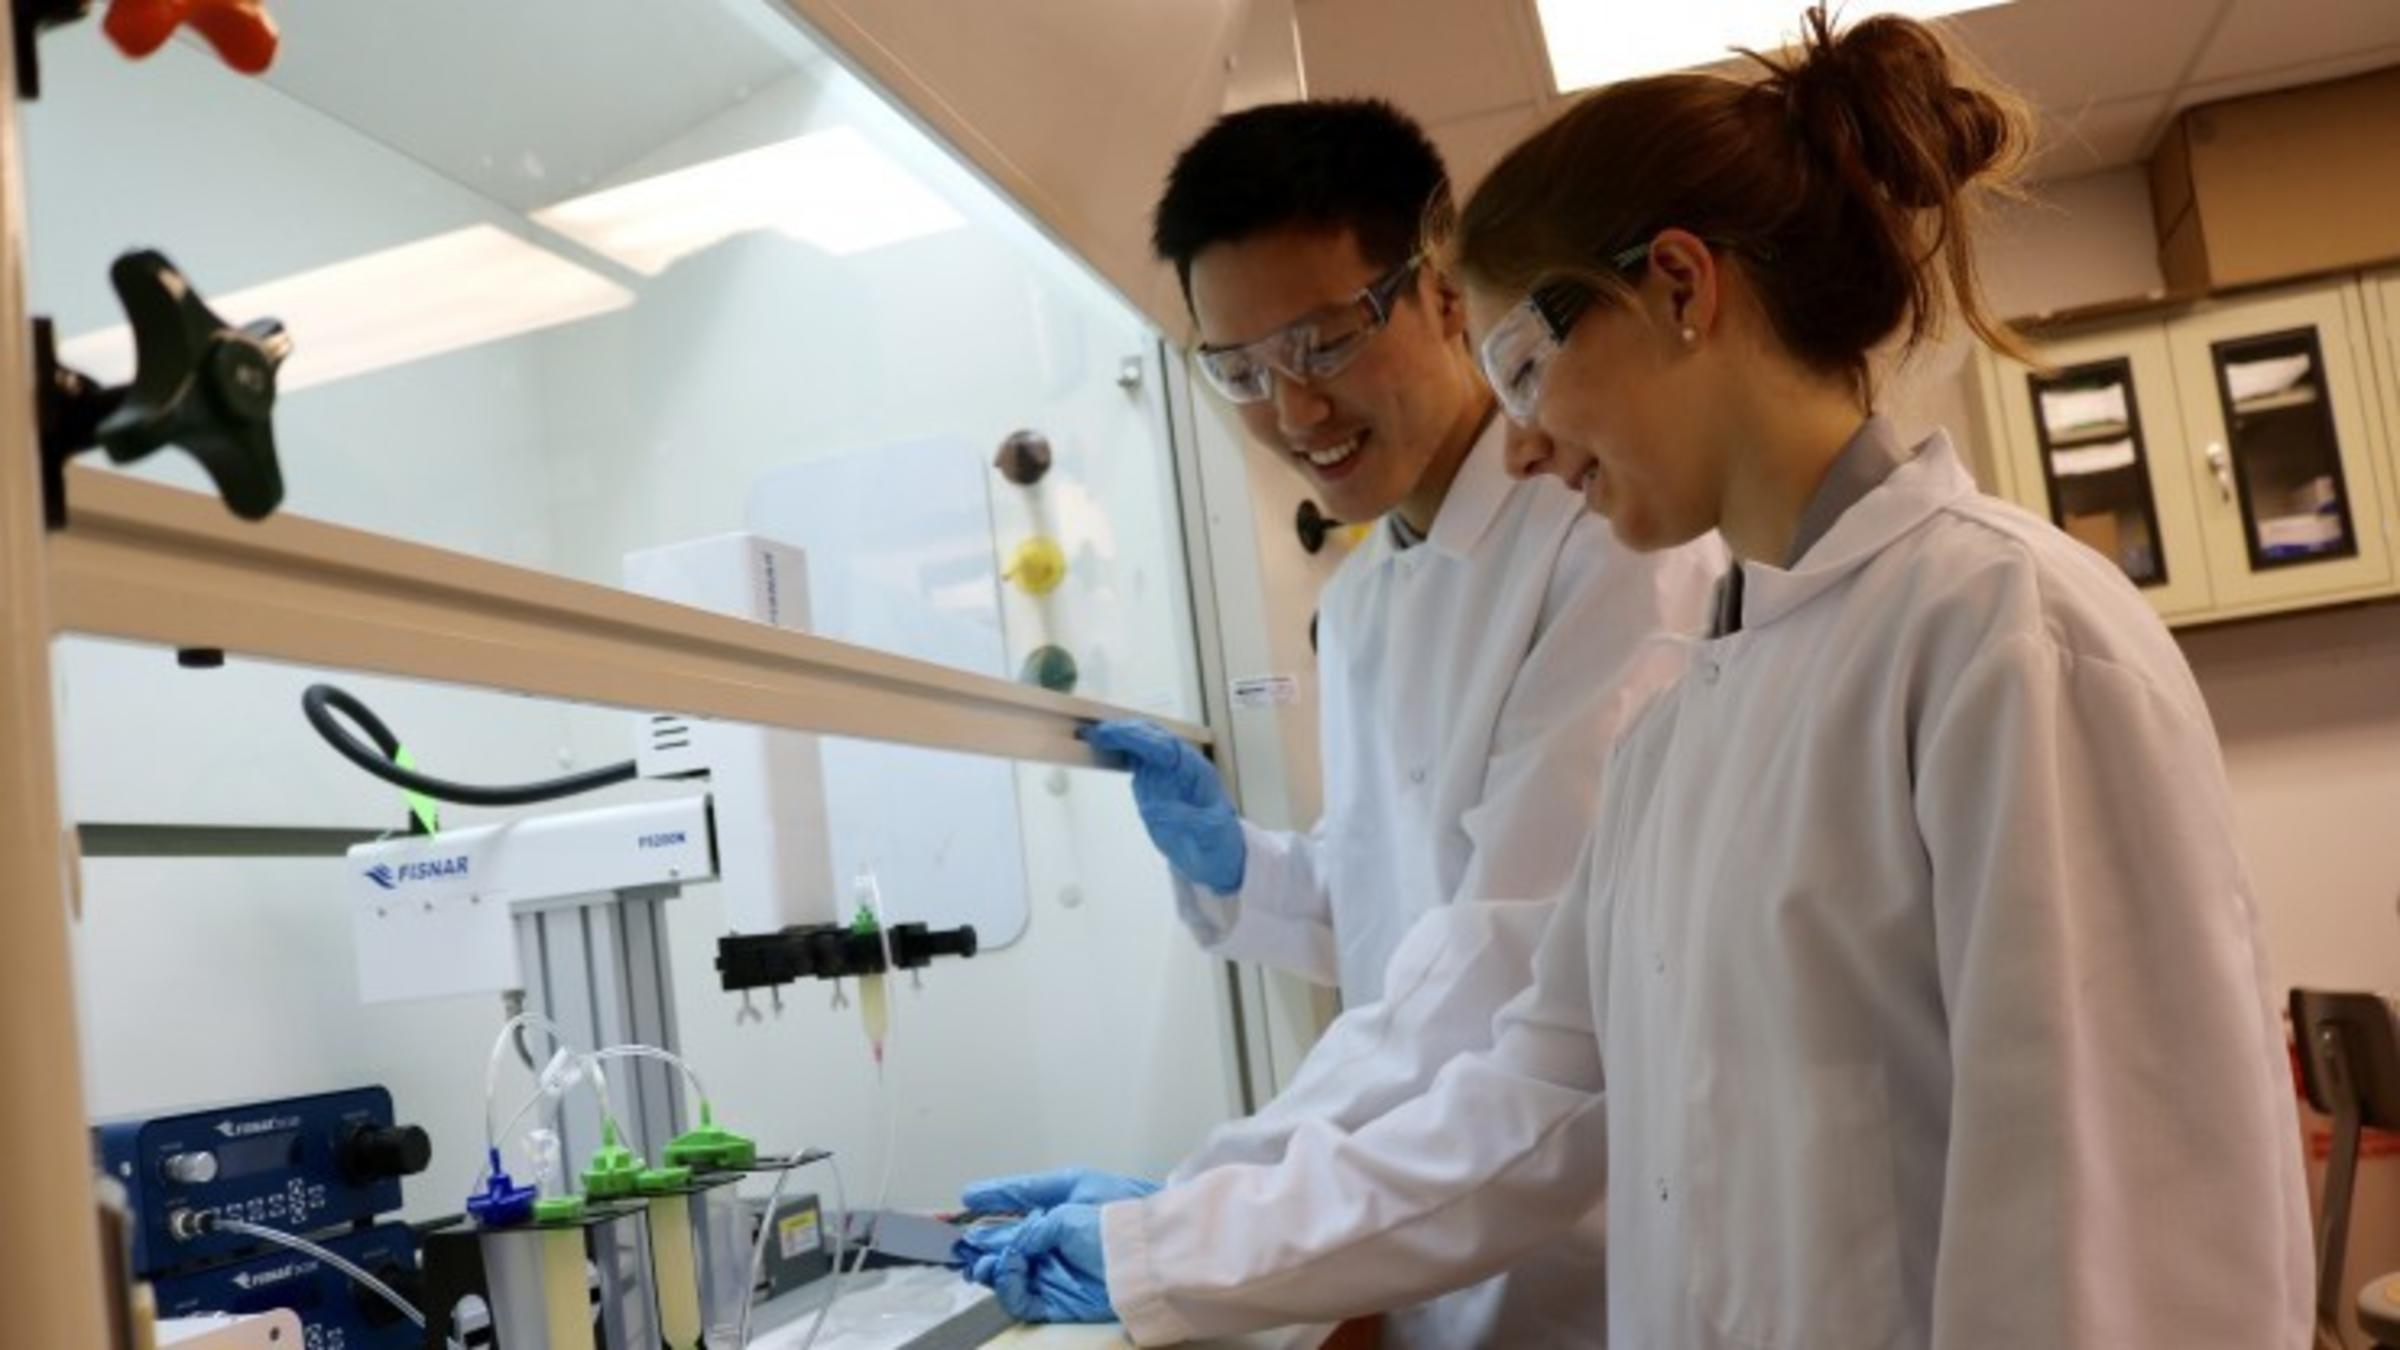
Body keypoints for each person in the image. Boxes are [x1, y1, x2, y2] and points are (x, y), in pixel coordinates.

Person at [962, 10, 2315, 1347]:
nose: (1531, 446)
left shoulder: (2003, 634)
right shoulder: (1693, 709)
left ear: (1678, 286)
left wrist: (1192, 1221)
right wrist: (1175, 1235)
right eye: (1240, 371)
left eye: (1529, 369)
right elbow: (1539, 1090)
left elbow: (2124, 1242)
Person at [960, 100, 1721, 1345]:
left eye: (1319, 343)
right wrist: (1246, 869)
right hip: (1421, 1252)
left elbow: (1515, 981)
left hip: (1582, 1271)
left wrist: (1194, 1215)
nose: (1291, 410)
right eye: (1239, 372)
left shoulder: (1605, 547)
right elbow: (1397, 921)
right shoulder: (1368, 593)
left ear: (1439, 292)